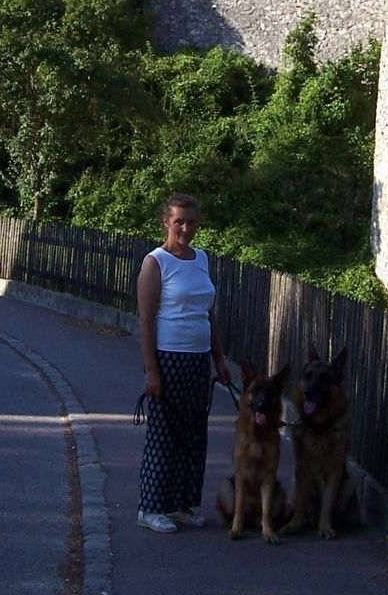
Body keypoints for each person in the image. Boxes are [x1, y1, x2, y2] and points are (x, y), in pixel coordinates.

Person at [136, 192, 231, 533]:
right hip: (167, 357)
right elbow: (145, 320)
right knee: (164, 433)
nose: (186, 228)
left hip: (197, 359)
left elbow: (209, 314)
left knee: (194, 436)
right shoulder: (156, 262)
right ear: (166, 222)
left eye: (191, 222)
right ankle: (151, 507)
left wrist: (219, 360)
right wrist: (151, 370)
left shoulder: (201, 259)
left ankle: (181, 504)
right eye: (179, 222)